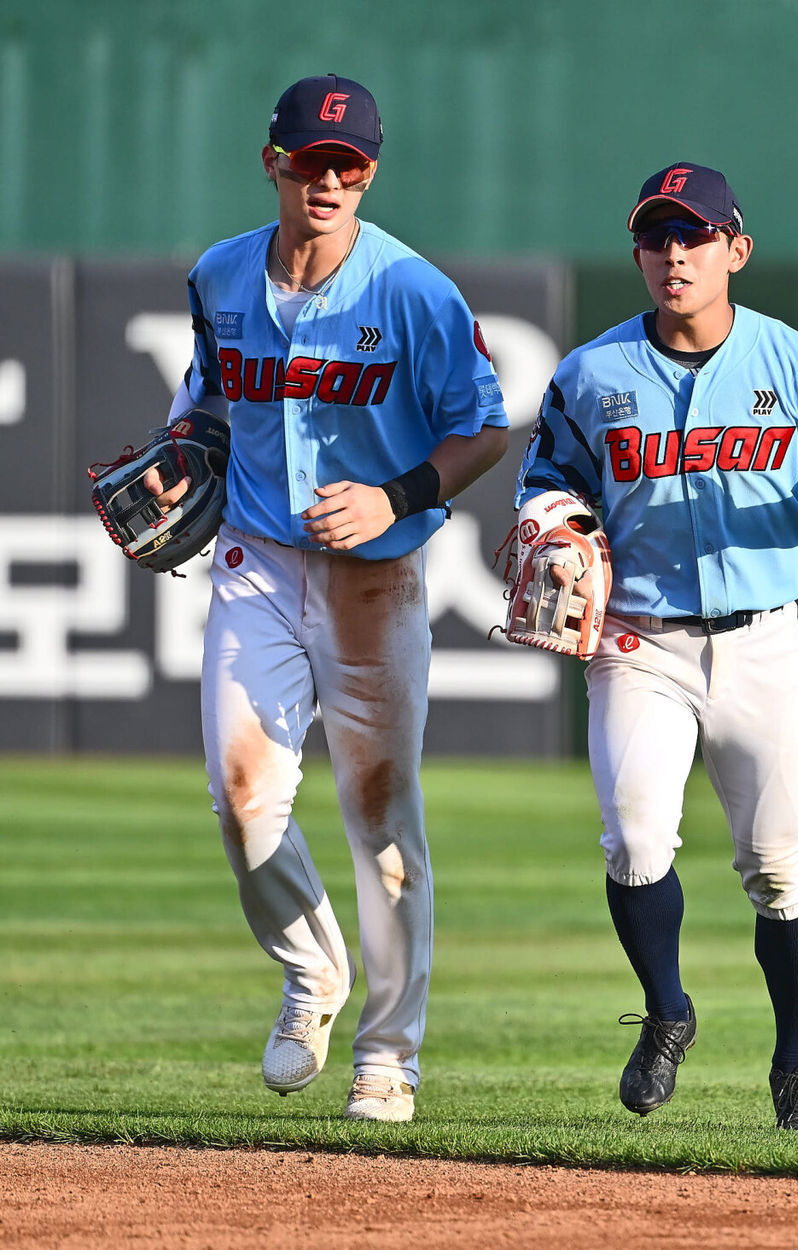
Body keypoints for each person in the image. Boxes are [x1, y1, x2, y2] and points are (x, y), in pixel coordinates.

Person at [513, 161, 798, 1130]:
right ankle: (665, 1011)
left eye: (693, 235)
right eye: (656, 236)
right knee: (635, 838)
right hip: (636, 639)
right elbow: (545, 481)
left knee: (779, 867)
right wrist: (554, 522)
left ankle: (795, 1065)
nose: (673, 254)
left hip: (760, 643)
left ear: (735, 249)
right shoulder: (592, 372)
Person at [149, 74, 508, 1121]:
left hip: (374, 578)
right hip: (255, 561)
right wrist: (185, 453)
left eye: (350, 163)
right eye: (312, 158)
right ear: (275, 163)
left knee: (380, 815)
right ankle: (314, 971)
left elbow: (483, 427)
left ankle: (388, 1056)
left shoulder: (413, 291)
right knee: (240, 795)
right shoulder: (220, 274)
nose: (331, 177)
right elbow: (211, 392)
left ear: (372, 173)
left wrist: (395, 494)